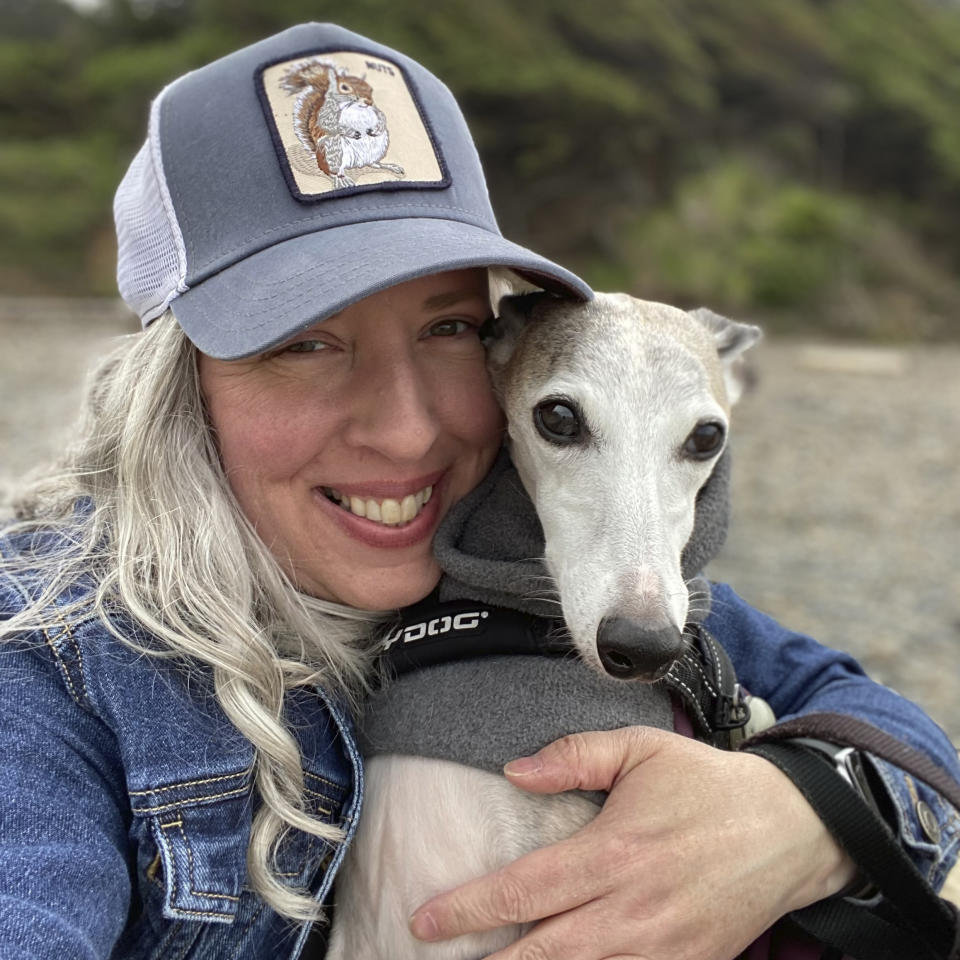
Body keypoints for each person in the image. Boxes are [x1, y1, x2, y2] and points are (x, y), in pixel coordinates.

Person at [0, 21, 956, 960]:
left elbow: (901, 737)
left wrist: (797, 817)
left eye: (448, 329)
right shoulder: (45, 669)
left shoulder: (523, 545)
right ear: (168, 383)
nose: (410, 429)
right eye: (304, 343)